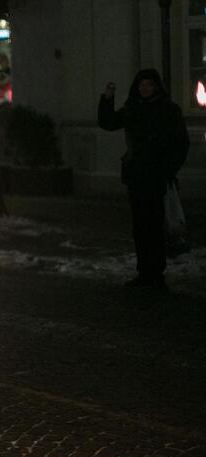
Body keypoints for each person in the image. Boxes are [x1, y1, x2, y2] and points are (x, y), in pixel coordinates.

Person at [98, 68, 189, 290]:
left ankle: (156, 274)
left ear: (156, 86)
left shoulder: (168, 110)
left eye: (148, 84)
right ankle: (144, 272)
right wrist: (107, 99)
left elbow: (180, 143)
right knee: (140, 227)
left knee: (155, 225)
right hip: (137, 175)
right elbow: (108, 122)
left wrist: (168, 170)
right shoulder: (133, 108)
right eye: (142, 85)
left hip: (156, 175)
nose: (144, 88)